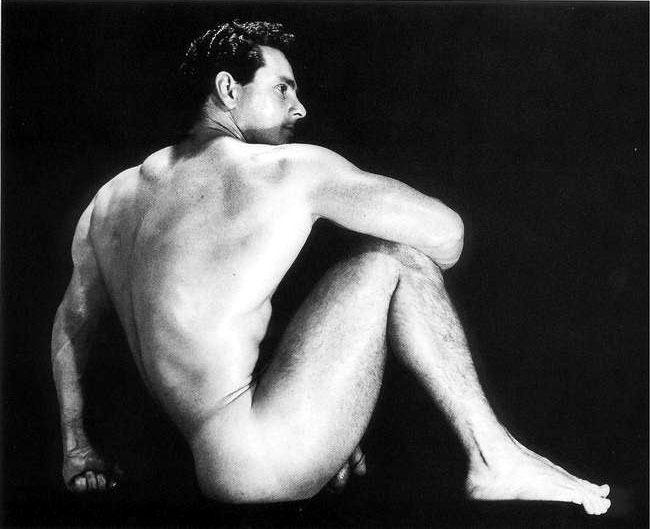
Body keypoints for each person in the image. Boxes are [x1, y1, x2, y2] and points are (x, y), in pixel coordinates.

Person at [51, 20, 611, 515]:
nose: (300, 108)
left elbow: (72, 328)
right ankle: (494, 458)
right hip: (267, 460)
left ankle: (387, 445)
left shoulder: (110, 200)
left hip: (219, 461)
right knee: (395, 256)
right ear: (227, 89)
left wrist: (77, 448)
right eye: (282, 88)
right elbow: (447, 236)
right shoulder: (287, 170)